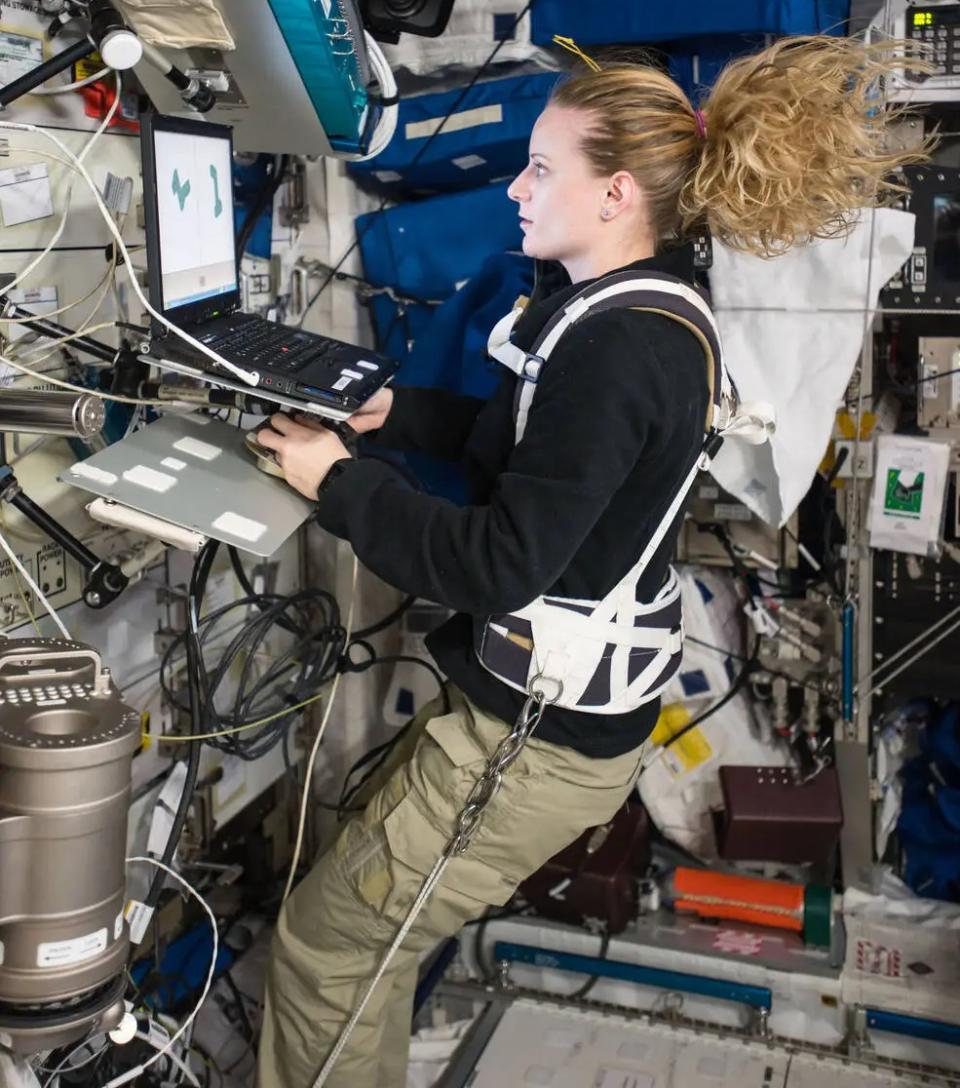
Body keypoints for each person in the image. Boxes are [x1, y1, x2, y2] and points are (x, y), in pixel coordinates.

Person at [254, 35, 928, 1088]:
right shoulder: (645, 303)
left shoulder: (624, 347)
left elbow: (500, 562)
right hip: (545, 719)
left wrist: (334, 481)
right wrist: (397, 414)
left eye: (538, 167)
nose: (516, 189)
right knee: (357, 939)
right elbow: (540, 446)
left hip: (535, 745)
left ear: (616, 193)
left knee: (325, 952)